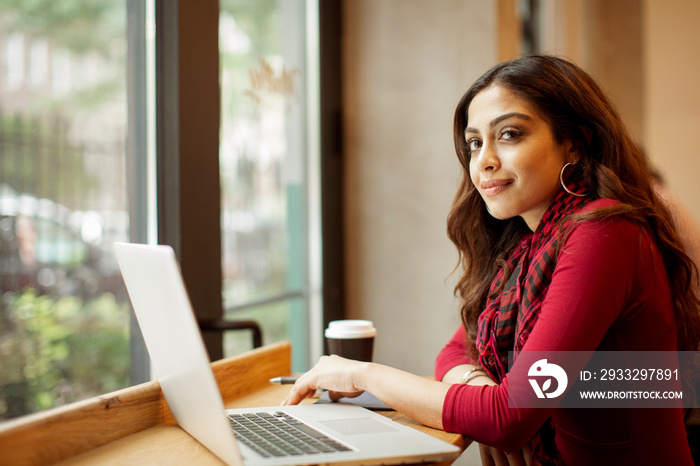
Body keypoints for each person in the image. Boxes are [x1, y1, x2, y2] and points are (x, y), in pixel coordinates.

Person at [283, 55, 700, 465]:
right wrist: (480, 386)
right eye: (474, 142)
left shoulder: (603, 232)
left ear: (575, 140)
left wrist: (362, 375)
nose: (483, 160)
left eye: (511, 134)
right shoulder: (530, 241)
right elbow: (456, 350)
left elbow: (509, 416)